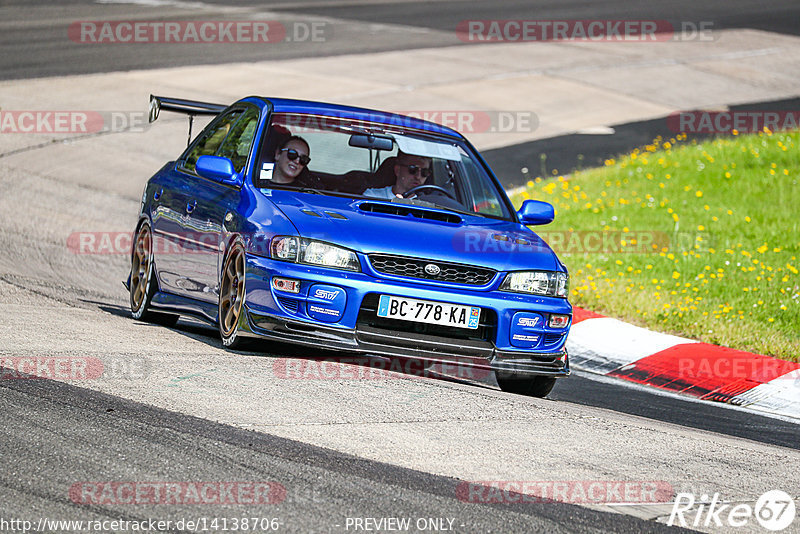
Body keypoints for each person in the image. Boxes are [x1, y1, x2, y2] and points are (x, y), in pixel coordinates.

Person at [363, 152, 432, 199]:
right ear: (397, 170)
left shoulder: (428, 205)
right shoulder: (372, 196)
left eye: (424, 172)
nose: (418, 177)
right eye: (412, 169)